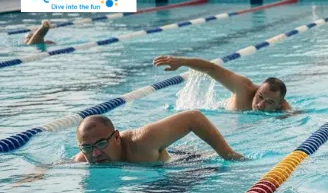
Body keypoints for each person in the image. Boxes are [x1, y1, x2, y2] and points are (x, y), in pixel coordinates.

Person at [73, 111, 244, 164]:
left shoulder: (142, 141)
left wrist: (228, 154)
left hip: (182, 159)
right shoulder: (85, 157)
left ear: (116, 137)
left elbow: (194, 118)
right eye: (87, 148)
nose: (95, 154)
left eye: (101, 144)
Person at [152, 55, 294, 113]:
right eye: (260, 97)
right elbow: (212, 69)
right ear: (257, 90)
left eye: (269, 102)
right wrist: (183, 61)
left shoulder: (282, 107)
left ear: (278, 105)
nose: (260, 105)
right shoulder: (243, 87)